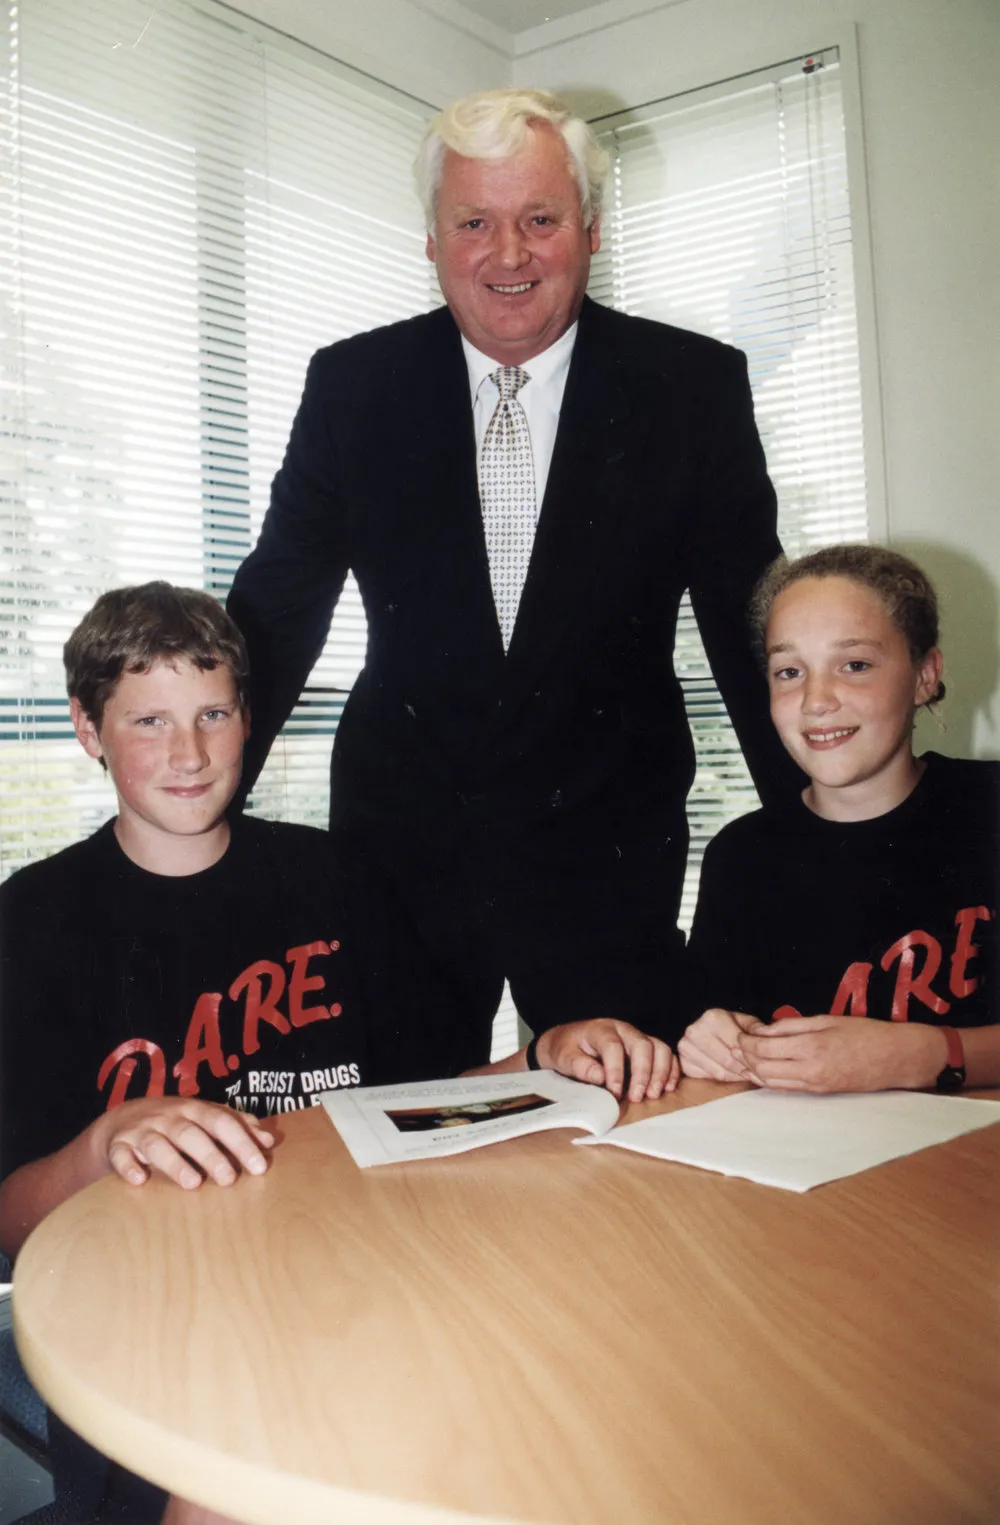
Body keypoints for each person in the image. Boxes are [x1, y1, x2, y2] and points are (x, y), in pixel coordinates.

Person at [0, 580, 676, 1525]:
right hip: (155, 1317)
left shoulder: (335, 876)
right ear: (87, 729)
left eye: (215, 713)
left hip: (358, 1281)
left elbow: (421, 1101)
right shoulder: (33, 918)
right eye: (148, 720)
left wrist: (545, 1058)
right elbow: (13, 1223)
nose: (188, 753)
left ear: (248, 718)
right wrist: (104, 1139)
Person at [227, 86, 800, 1058]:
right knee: (406, 1147)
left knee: (626, 1143)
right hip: (400, 846)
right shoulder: (353, 388)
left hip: (608, 846)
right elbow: (275, 613)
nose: (507, 254)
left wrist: (814, 830)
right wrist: (196, 800)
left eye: (540, 219)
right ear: (430, 240)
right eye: (473, 222)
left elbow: (753, 632)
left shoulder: (690, 390)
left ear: (591, 229)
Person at [678, 544, 999, 1093]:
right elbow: (713, 1030)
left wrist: (924, 1055)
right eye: (789, 671)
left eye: (855, 665)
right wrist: (707, 1039)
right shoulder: (741, 856)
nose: (816, 699)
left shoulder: (987, 810)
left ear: (925, 675)